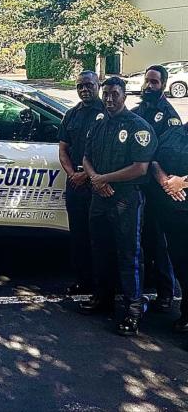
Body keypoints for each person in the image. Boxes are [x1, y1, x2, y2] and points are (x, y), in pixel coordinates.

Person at [81, 76, 157, 336]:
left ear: (124, 96)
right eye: (107, 94)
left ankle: (133, 311)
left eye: (114, 94)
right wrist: (95, 179)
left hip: (126, 199)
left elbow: (140, 168)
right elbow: (86, 156)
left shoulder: (138, 127)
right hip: (100, 196)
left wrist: (105, 179)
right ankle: (102, 298)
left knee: (129, 256)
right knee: (100, 250)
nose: (109, 99)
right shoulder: (100, 122)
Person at [132, 65, 181, 312]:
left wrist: (163, 181)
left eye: (154, 82)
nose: (148, 86)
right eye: (147, 81)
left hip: (157, 189)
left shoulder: (169, 116)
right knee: (142, 240)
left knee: (159, 242)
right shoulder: (140, 109)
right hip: (136, 187)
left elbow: (164, 155)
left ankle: (166, 292)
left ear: (163, 84)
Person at [59, 71, 105, 295]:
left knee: (99, 236)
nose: (84, 90)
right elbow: (63, 149)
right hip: (75, 184)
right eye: (80, 86)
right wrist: (71, 174)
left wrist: (86, 175)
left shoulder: (107, 112)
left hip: (97, 184)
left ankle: (101, 284)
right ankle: (82, 281)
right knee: (78, 236)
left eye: (88, 85)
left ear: (98, 85)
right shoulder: (71, 115)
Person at [152, 125, 188, 332]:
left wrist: (182, 183)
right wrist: (165, 181)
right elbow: (154, 160)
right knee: (181, 265)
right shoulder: (174, 132)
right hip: (172, 214)